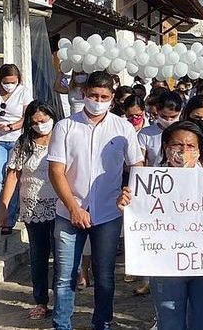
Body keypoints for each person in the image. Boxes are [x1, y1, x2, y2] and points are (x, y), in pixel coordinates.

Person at [47, 70, 144, 330]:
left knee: (105, 277)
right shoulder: (65, 126)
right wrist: (73, 208)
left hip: (108, 213)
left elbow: (137, 165)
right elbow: (56, 171)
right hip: (69, 212)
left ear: (112, 99)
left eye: (104, 96)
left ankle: (102, 323)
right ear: (83, 94)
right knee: (65, 277)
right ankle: (62, 325)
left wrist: (129, 192)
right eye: (93, 95)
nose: (98, 100)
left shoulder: (122, 128)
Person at [117, 121, 203, 330]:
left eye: (191, 146)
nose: (183, 151)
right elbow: (139, 215)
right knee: (169, 321)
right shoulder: (148, 181)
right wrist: (127, 204)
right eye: (177, 145)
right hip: (166, 265)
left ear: (200, 150)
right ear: (166, 148)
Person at [0, 100, 58, 319]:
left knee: (61, 256)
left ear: (52, 117)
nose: (40, 125)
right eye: (35, 122)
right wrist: (3, 208)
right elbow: (13, 175)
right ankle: (41, 300)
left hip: (60, 205)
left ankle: (62, 300)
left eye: (44, 120)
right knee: (39, 256)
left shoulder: (63, 140)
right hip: (33, 207)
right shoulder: (24, 144)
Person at [0, 64, 33, 235]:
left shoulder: (23, 92)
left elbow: (27, 116)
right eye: (6, 82)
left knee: (13, 179)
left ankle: (8, 221)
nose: (9, 85)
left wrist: (12, 127)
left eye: (13, 82)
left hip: (16, 139)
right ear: (0, 80)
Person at [138, 91, 183, 167]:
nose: (168, 120)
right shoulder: (145, 134)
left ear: (180, 112)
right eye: (164, 116)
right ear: (157, 112)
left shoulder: (186, 133)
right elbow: (140, 163)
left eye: (173, 117)